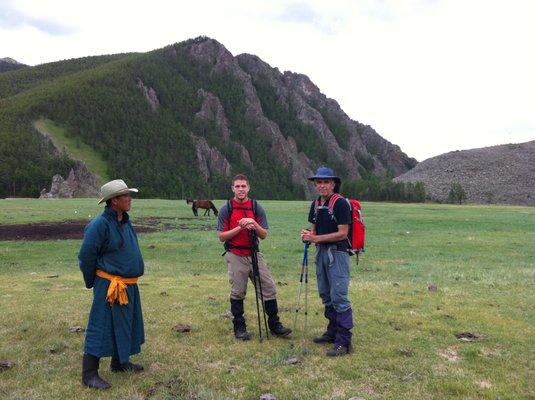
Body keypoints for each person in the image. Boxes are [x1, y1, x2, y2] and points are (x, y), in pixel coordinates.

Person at [78, 179, 145, 389]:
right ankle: (89, 374)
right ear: (114, 200)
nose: (129, 199)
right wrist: (94, 283)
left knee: (125, 322)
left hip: (127, 285)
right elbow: (86, 256)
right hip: (109, 285)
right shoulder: (99, 225)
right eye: (126, 195)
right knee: (101, 324)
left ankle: (119, 362)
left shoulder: (125, 221)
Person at [217, 174, 292, 340]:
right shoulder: (226, 208)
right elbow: (221, 236)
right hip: (235, 254)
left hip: (255, 253)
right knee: (238, 292)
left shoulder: (256, 207)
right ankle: (239, 327)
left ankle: (275, 325)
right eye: (237, 186)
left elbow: (264, 234)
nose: (241, 189)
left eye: (243, 186)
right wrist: (240, 227)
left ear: (248, 188)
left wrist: (253, 223)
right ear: (232, 189)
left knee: (269, 288)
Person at [301, 167, 354, 356]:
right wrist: (308, 235)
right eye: (319, 182)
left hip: (337, 254)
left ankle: (344, 342)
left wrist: (316, 239)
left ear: (333, 184)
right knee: (326, 294)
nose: (322, 185)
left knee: (339, 296)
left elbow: (343, 233)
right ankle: (332, 333)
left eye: (326, 182)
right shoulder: (315, 204)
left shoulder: (340, 203)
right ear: (316, 185)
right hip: (321, 253)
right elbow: (314, 229)